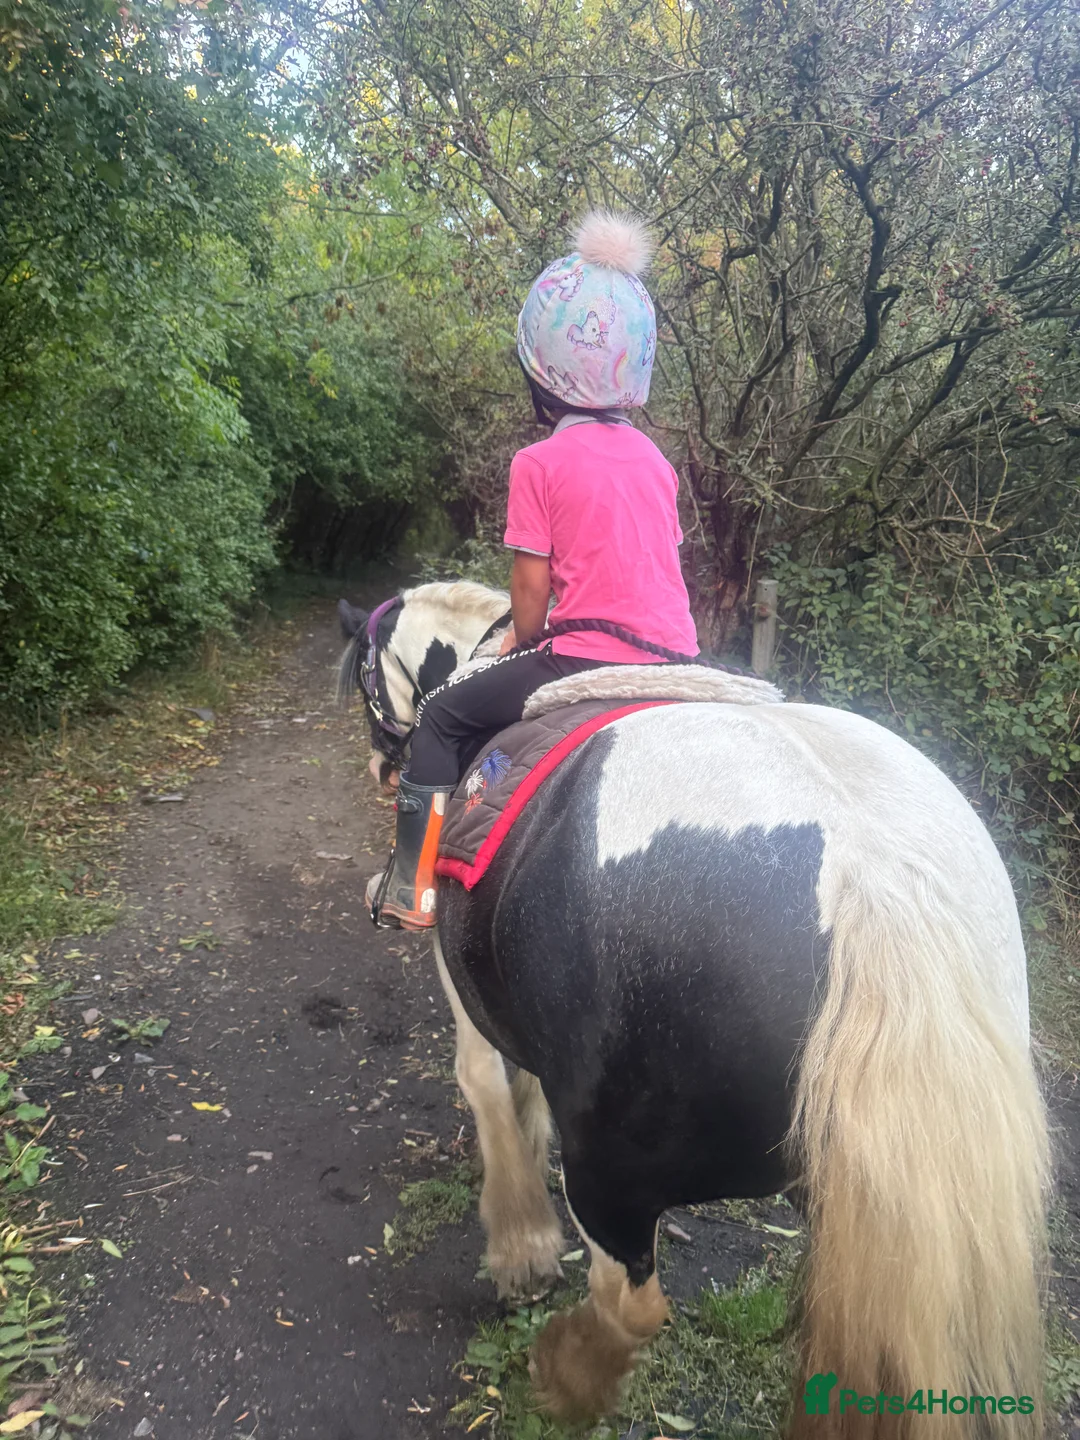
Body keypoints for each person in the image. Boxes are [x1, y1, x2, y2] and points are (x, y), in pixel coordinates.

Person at [367, 210, 699, 930]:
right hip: (679, 654)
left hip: (584, 653)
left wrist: (523, 637)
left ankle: (410, 889)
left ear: (541, 370)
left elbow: (530, 588)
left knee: (442, 717)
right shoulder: (655, 461)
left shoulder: (538, 461)